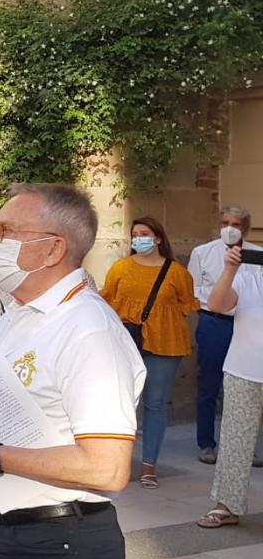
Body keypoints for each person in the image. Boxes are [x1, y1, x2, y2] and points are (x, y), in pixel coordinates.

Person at [0, 183, 144, 559]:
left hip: (58, 545)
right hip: (9, 536)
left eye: (6, 232)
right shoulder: (15, 319)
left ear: (53, 248)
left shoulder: (88, 330)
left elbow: (107, 468)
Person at [101, 217, 197, 490]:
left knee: (155, 403)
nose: (138, 238)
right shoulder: (120, 268)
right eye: (134, 234)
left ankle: (149, 466)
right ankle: (117, 463)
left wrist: (158, 319)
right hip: (126, 342)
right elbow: (107, 300)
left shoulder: (176, 272)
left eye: (144, 234)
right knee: (122, 403)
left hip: (164, 343)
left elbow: (186, 304)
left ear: (157, 239)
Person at [195, 242, 263, 529]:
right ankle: (227, 505)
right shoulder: (250, 279)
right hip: (243, 370)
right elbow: (217, 304)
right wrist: (230, 270)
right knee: (235, 442)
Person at [188, 205, 263, 466]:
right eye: (225, 222)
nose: (230, 228)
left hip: (248, 325)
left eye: (236, 224)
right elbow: (193, 289)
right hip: (215, 322)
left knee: (247, 386)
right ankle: (207, 443)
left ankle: (246, 446)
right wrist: (217, 302)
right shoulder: (202, 253)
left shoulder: (258, 255)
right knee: (210, 383)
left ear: (246, 228)